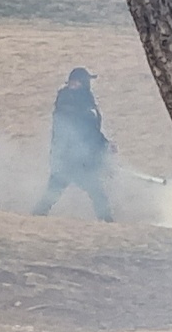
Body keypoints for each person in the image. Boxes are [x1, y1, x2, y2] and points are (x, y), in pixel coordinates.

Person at [31, 66, 116, 222]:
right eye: (73, 82)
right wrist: (102, 144)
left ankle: (36, 217)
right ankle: (107, 222)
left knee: (56, 192)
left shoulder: (85, 100)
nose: (74, 85)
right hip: (71, 159)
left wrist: (104, 144)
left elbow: (92, 131)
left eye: (77, 82)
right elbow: (82, 130)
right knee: (94, 193)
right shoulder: (69, 101)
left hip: (78, 157)